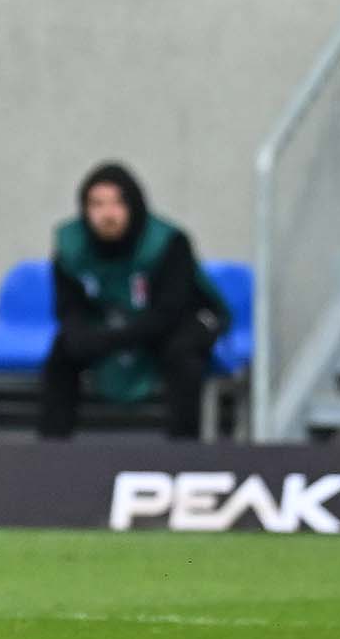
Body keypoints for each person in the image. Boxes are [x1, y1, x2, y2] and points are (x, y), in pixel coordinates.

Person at [39, 162, 229, 441]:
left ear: (134, 205)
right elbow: (68, 308)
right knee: (63, 351)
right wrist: (84, 335)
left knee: (183, 354)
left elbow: (170, 310)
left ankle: (184, 456)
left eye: (117, 203)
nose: (107, 214)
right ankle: (50, 453)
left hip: (173, 322)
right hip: (110, 323)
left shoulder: (168, 242)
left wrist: (112, 338)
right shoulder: (70, 245)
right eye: (97, 204)